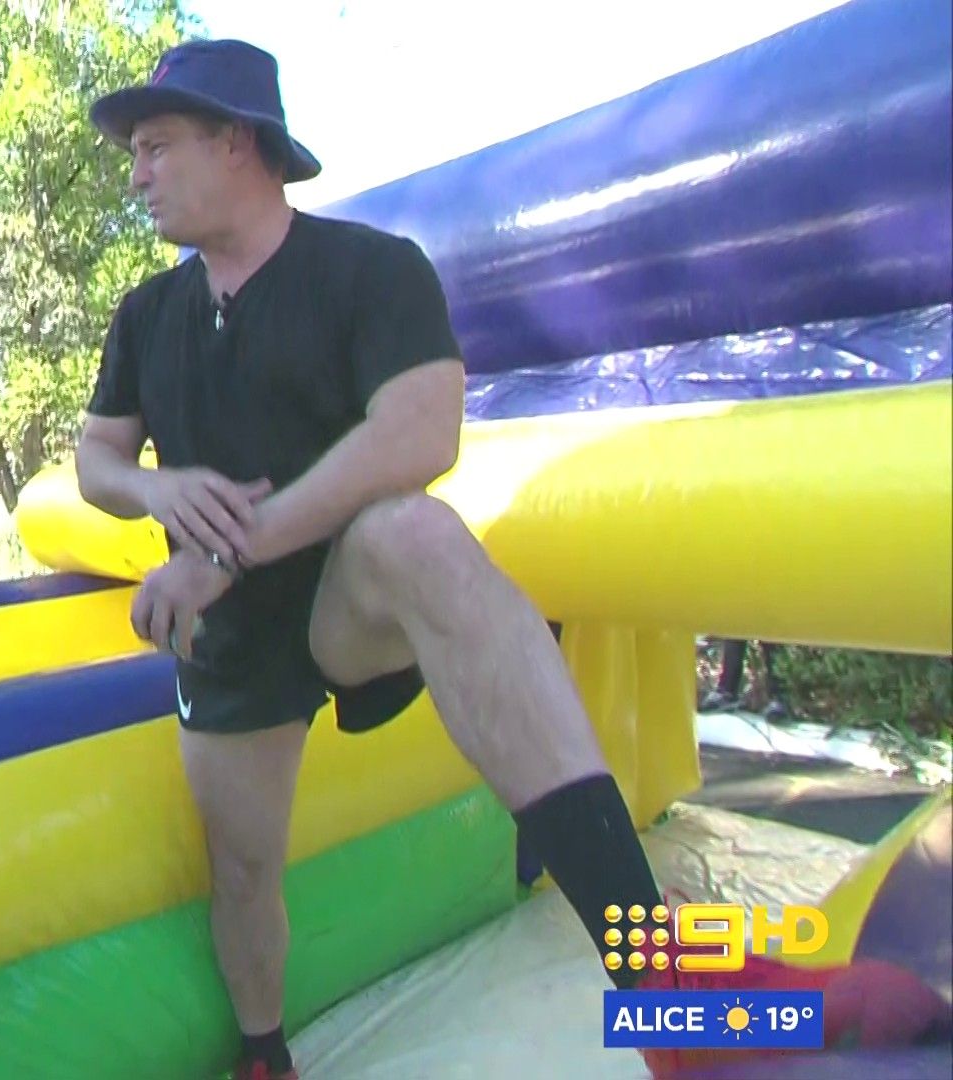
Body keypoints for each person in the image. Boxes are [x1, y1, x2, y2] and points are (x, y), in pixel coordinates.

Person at [74, 39, 948, 1080]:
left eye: (157, 146)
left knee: (420, 533)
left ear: (235, 141)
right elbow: (96, 460)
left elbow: (422, 431)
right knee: (245, 873)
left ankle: (667, 988)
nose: (137, 174)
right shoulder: (147, 316)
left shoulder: (370, 268)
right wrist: (156, 492)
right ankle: (266, 1057)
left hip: (347, 597)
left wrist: (228, 546)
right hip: (228, 636)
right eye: (134, 153)